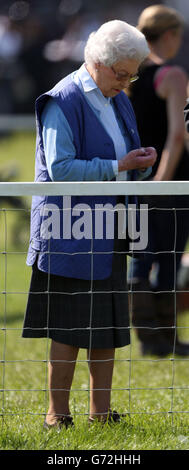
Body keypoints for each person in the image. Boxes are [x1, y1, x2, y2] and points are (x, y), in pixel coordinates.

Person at [22, 20, 156, 428]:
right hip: (70, 233)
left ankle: (101, 415)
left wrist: (139, 165)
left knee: (109, 326)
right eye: (121, 74)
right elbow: (60, 169)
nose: (127, 82)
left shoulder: (119, 97)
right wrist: (118, 166)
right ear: (97, 62)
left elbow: (123, 158)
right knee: (67, 329)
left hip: (110, 228)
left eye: (133, 74)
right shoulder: (62, 100)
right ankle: (56, 417)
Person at [128, 5, 189, 356]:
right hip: (171, 183)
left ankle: (150, 340)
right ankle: (166, 339)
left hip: (136, 180)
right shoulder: (174, 75)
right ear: (170, 35)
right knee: (168, 256)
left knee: (140, 258)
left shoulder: (130, 76)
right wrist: (162, 185)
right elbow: (177, 136)